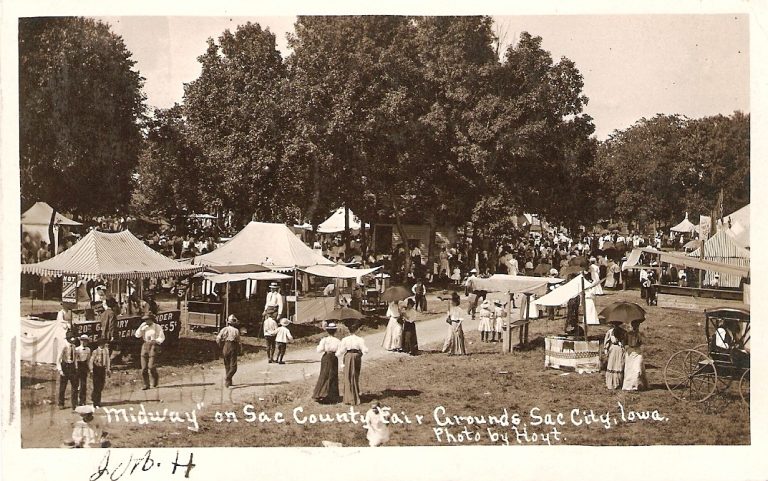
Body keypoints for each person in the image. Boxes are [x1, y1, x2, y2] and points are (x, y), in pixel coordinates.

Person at [337, 322, 369, 405]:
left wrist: (336, 354)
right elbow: (365, 350)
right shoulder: (360, 339)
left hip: (348, 356)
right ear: (357, 330)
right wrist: (361, 352)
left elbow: (341, 351)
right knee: (355, 375)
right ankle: (355, 396)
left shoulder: (345, 339)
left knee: (347, 376)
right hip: (356, 356)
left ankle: (349, 397)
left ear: (349, 330)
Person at [134, 313, 165, 390]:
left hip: (153, 345)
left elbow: (162, 337)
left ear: (152, 319)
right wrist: (141, 328)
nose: (146, 321)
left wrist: (156, 341)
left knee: (151, 366)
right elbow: (137, 335)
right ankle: (146, 384)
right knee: (144, 368)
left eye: (148, 319)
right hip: (145, 345)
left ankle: (155, 379)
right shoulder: (143, 326)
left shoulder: (157, 327)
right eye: (145, 320)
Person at [312, 322, 340, 403]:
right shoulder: (337, 340)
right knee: (333, 375)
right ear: (335, 331)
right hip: (334, 357)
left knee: (324, 374)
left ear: (327, 331)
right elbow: (340, 351)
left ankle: (322, 393)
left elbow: (319, 350)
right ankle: (330, 394)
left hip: (326, 356)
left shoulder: (324, 340)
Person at [216, 315, 242, 387]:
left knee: (227, 365)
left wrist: (220, 346)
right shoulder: (236, 331)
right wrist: (240, 349)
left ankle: (228, 382)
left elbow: (218, 338)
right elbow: (239, 342)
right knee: (233, 366)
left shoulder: (224, 329)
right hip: (232, 346)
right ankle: (228, 378)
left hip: (225, 346)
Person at [622, 319, 648, 391]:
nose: (635, 327)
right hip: (630, 352)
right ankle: (629, 386)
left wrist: (639, 335)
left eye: (636, 325)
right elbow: (624, 343)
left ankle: (636, 385)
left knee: (638, 369)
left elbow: (642, 342)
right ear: (632, 325)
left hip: (637, 352)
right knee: (629, 369)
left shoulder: (640, 334)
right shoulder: (628, 334)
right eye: (634, 325)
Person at [57, 336, 80, 410]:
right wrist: (60, 370)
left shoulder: (73, 346)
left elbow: (75, 358)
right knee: (63, 386)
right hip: (65, 366)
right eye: (71, 341)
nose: (72, 342)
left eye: (73, 341)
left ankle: (74, 404)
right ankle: (61, 403)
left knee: (75, 386)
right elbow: (58, 359)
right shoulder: (63, 346)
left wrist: (76, 367)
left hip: (72, 366)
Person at [603, 321, 626, 390]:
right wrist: (606, 349)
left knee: (619, 365)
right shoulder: (610, 332)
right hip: (613, 349)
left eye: (617, 324)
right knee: (612, 365)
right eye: (614, 324)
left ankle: (619, 383)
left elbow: (625, 341)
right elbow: (606, 341)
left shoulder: (623, 332)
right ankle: (611, 383)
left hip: (620, 349)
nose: (616, 325)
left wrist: (622, 344)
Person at [89, 337, 111, 408]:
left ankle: (94, 396)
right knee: (96, 385)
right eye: (101, 344)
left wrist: (108, 369)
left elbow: (107, 360)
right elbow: (91, 361)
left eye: (103, 344)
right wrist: (91, 370)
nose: (102, 345)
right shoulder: (95, 351)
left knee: (101, 385)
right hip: (96, 369)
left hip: (102, 369)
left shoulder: (106, 351)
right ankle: (96, 402)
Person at [75, 335, 91, 406]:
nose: (84, 342)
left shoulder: (88, 349)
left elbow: (88, 360)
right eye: (83, 340)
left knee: (83, 384)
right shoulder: (77, 349)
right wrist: (76, 367)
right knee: (76, 384)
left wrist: (90, 369)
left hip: (84, 366)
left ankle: (83, 400)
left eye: (86, 341)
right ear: (80, 341)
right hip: (78, 365)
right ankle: (76, 400)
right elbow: (75, 359)